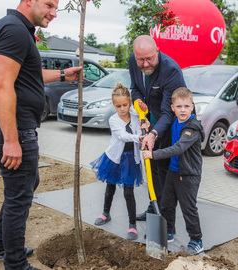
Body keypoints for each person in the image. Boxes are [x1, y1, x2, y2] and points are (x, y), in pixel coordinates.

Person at [0, 1, 83, 270]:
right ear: (29, 0)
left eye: (57, 7)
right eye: (49, 4)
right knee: (20, 197)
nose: (54, 12)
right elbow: (2, 87)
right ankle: (15, 263)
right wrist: (11, 140)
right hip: (15, 129)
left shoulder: (17, 29)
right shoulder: (15, 30)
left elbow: (26, 75)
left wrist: (63, 74)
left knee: (24, 186)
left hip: (16, 127)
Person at [129, 35, 186, 221]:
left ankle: (166, 215)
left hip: (170, 126)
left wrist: (154, 133)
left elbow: (168, 112)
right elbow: (135, 89)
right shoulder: (133, 62)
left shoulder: (171, 71)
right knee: (151, 167)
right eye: (140, 60)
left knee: (164, 171)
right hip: (151, 121)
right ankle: (153, 207)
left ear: (157, 52)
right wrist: (138, 102)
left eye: (149, 59)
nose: (145, 64)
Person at [142, 87, 205, 255]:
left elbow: (178, 148)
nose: (182, 110)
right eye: (179, 106)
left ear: (192, 107)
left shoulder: (193, 128)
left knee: (188, 208)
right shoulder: (175, 122)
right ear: (172, 108)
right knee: (167, 204)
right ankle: (168, 232)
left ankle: (197, 240)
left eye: (186, 106)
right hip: (173, 170)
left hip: (188, 175)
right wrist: (150, 127)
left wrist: (152, 155)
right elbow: (163, 135)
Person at [91, 83, 148, 241]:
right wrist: (139, 137)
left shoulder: (137, 118)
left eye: (125, 104)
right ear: (113, 105)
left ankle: (132, 225)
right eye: (118, 106)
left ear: (130, 102)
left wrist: (145, 126)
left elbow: (140, 131)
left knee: (128, 193)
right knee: (110, 187)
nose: (122, 109)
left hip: (130, 159)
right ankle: (105, 213)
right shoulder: (113, 120)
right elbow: (123, 136)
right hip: (114, 158)